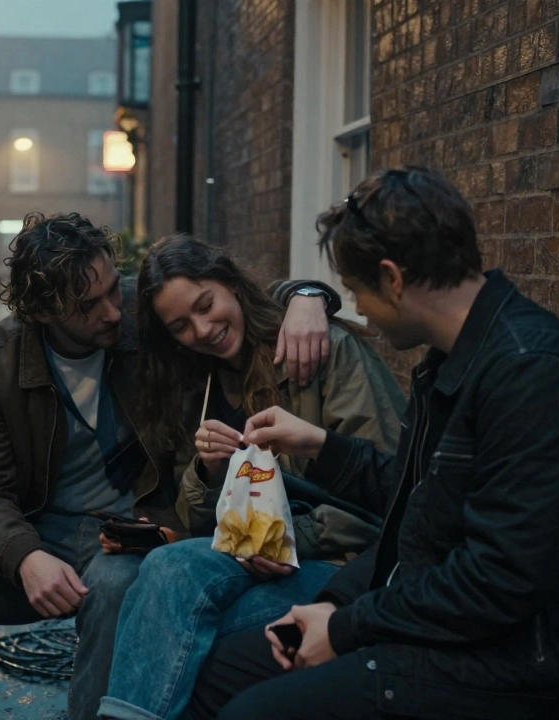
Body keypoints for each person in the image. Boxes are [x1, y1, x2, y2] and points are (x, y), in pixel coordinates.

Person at [183, 168, 559, 720]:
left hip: (525, 660)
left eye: (356, 293)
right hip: (438, 620)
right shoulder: (450, 365)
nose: (359, 312)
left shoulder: (534, 374)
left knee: (253, 713)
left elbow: (498, 581)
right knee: (223, 673)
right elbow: (414, 516)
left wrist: (346, 625)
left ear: (392, 278)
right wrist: (331, 598)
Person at [0, 212, 336, 720]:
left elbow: (226, 297)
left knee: (114, 586)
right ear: (43, 312)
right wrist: (23, 556)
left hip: (137, 525)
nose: (112, 311)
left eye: (110, 289)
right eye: (88, 305)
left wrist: (307, 296)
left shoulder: (137, 313)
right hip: (37, 528)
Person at [97, 236, 407, 720]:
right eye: (181, 326)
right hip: (249, 563)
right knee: (165, 586)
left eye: (206, 304)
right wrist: (207, 470)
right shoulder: (197, 384)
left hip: (347, 569)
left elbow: (389, 495)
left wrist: (276, 539)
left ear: (231, 284)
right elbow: (200, 522)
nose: (203, 330)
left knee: (169, 611)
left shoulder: (319, 350)